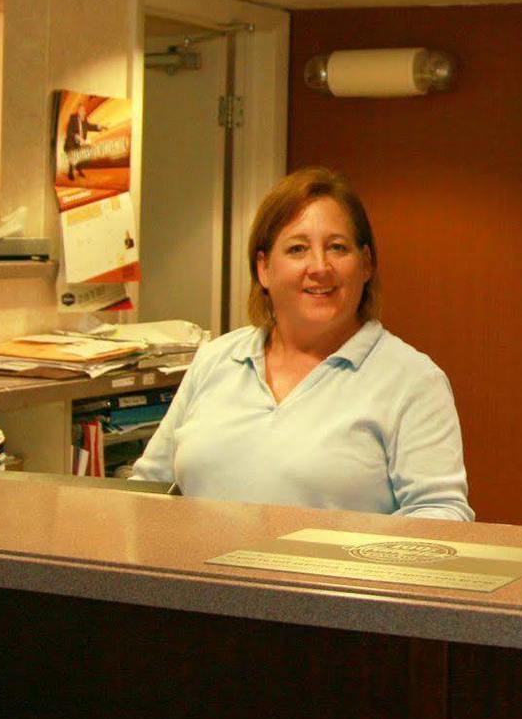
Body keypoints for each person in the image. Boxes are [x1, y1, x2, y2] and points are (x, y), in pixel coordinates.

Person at [131, 166, 472, 519]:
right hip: (196, 573)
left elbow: (441, 514)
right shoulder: (215, 359)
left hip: (337, 576)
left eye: (338, 248)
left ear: (366, 264)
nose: (320, 267)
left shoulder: (413, 379)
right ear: (264, 269)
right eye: (297, 249)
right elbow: (147, 492)